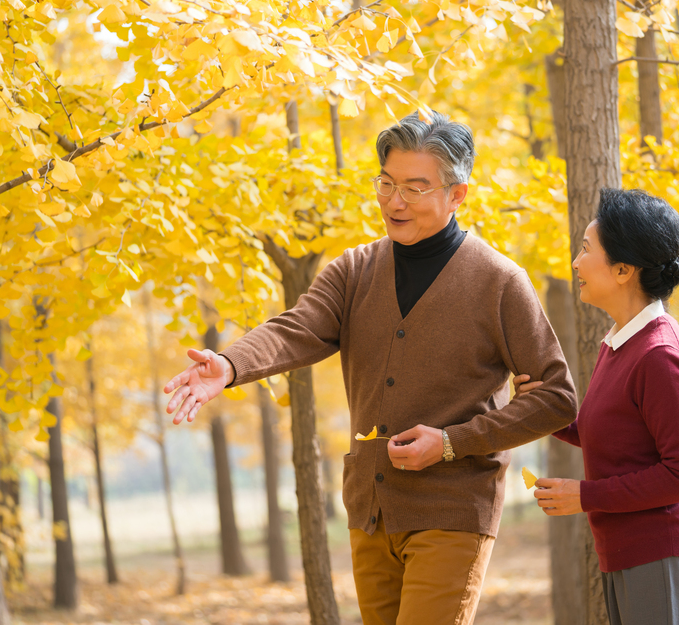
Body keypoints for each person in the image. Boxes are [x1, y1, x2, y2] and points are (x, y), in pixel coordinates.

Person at [163, 111, 578, 625]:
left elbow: (557, 398)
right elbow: (297, 326)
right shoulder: (353, 270)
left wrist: (451, 442)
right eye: (386, 183)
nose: (394, 201)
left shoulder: (499, 282)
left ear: (457, 194)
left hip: (453, 510)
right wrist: (228, 365)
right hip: (370, 508)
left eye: (414, 187)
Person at [520, 188, 679, 625]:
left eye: (586, 250)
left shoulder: (658, 354)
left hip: (663, 557)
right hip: (630, 557)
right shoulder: (620, 343)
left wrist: (585, 496)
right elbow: (606, 431)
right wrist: (538, 403)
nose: (576, 262)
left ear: (624, 270)